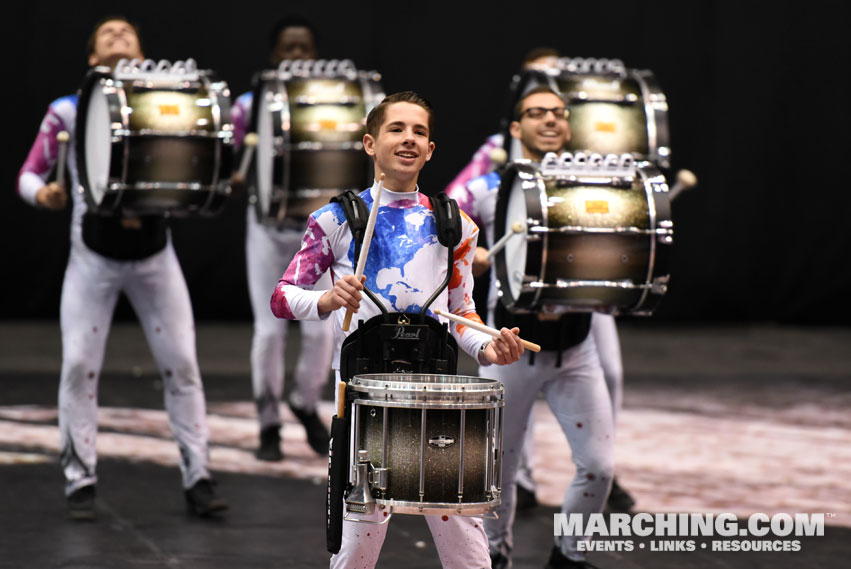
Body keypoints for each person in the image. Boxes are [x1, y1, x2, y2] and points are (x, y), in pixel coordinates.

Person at [271, 91, 525, 568]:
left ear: (430, 150)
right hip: (363, 393)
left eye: (419, 132)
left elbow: (461, 313)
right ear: (370, 143)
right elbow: (282, 297)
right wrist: (327, 298)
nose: (408, 139)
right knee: (356, 546)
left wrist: (491, 348)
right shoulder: (334, 220)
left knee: (466, 541)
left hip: (436, 390)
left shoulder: (457, 227)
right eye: (396, 129)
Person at [17, 16, 227, 520]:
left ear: (140, 50)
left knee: (182, 366)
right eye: (105, 34)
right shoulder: (67, 112)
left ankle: (198, 476)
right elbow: (27, 174)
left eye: (126, 32)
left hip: (155, 255)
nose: (116, 36)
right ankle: (79, 479)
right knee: (77, 366)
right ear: (91, 58)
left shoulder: (167, 102)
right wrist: (41, 192)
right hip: (93, 258)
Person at [445, 47, 637, 516]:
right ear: (515, 127)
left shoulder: (594, 188)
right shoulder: (489, 188)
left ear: (568, 125)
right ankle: (500, 557)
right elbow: (440, 225)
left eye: (557, 114)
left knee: (599, 468)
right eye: (536, 114)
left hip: (576, 343)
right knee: (499, 472)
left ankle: (569, 556)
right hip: (511, 344)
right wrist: (469, 256)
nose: (549, 121)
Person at [231, 15, 333, 461]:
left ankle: (305, 403)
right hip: (269, 230)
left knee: (321, 332)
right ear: (275, 56)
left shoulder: (333, 104)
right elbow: (229, 159)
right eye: (288, 49)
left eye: (304, 49)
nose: (296, 57)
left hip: (317, 232)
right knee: (269, 332)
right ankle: (268, 422)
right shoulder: (249, 106)